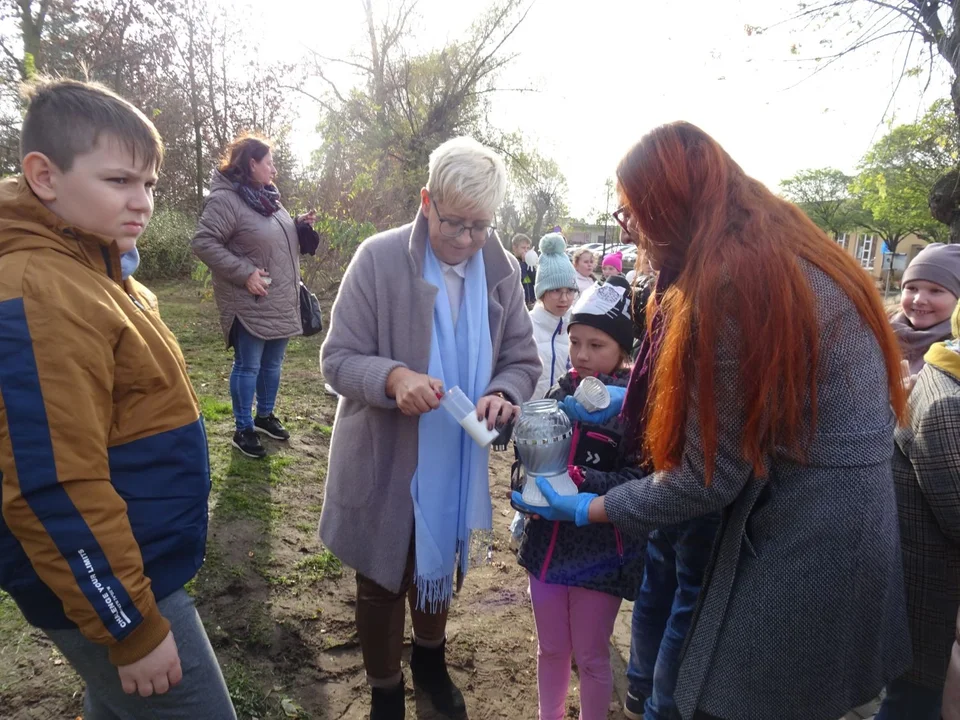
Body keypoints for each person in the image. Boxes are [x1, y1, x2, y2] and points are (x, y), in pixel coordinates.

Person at [512, 122, 911, 720]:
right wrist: (632, 405)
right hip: (844, 521)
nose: (631, 230)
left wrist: (588, 508)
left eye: (630, 212)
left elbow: (706, 478)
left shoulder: (731, 283)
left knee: (725, 697)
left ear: (664, 205)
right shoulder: (781, 244)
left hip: (799, 537)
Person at [0, 79, 235, 719]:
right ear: (44, 176)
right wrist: (130, 626)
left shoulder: (92, 267)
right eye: (119, 182)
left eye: (150, 185)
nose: (143, 203)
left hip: (134, 561)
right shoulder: (41, 289)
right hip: (121, 587)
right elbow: (52, 482)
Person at [319, 136, 540, 720]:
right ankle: (384, 690)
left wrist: (503, 392)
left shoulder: (502, 271)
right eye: (454, 224)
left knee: (437, 566)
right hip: (385, 456)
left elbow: (522, 358)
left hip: (458, 456)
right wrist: (393, 378)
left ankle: (430, 661)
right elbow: (337, 359)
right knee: (383, 576)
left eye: (480, 226)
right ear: (425, 201)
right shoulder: (378, 258)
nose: (467, 240)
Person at [515, 275, 644, 720]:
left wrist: (581, 478)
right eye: (575, 342)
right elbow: (528, 454)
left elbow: (640, 480)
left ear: (623, 353)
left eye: (597, 344)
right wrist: (525, 485)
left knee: (591, 658)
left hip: (601, 555)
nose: (583, 355)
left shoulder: (633, 411)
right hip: (546, 549)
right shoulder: (560, 395)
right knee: (550, 649)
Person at [192, 134, 317, 459]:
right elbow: (204, 242)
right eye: (269, 163)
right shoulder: (226, 200)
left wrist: (297, 224)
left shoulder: (269, 199)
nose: (274, 170)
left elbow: (271, 235)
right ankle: (243, 428)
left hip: (280, 299)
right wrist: (244, 273)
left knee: (273, 364)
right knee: (248, 366)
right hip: (250, 300)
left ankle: (264, 416)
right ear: (252, 164)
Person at [876, 300, 960, 720]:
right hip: (933, 597)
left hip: (928, 592)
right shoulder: (948, 403)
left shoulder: (944, 370)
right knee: (912, 704)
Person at [891, 243, 960, 390]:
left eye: (935, 291)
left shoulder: (955, 354)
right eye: (912, 288)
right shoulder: (878, 332)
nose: (919, 299)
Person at [529, 232, 579, 400]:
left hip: (564, 420)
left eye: (570, 290)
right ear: (542, 293)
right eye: (556, 290)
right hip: (527, 418)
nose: (564, 298)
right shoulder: (524, 327)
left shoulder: (578, 329)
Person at [512, 232, 537, 306]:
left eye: (528, 248)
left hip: (531, 301)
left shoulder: (529, 263)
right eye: (523, 248)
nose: (526, 250)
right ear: (515, 248)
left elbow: (535, 280)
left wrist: (530, 265)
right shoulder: (512, 262)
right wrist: (523, 263)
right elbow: (521, 278)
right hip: (520, 303)